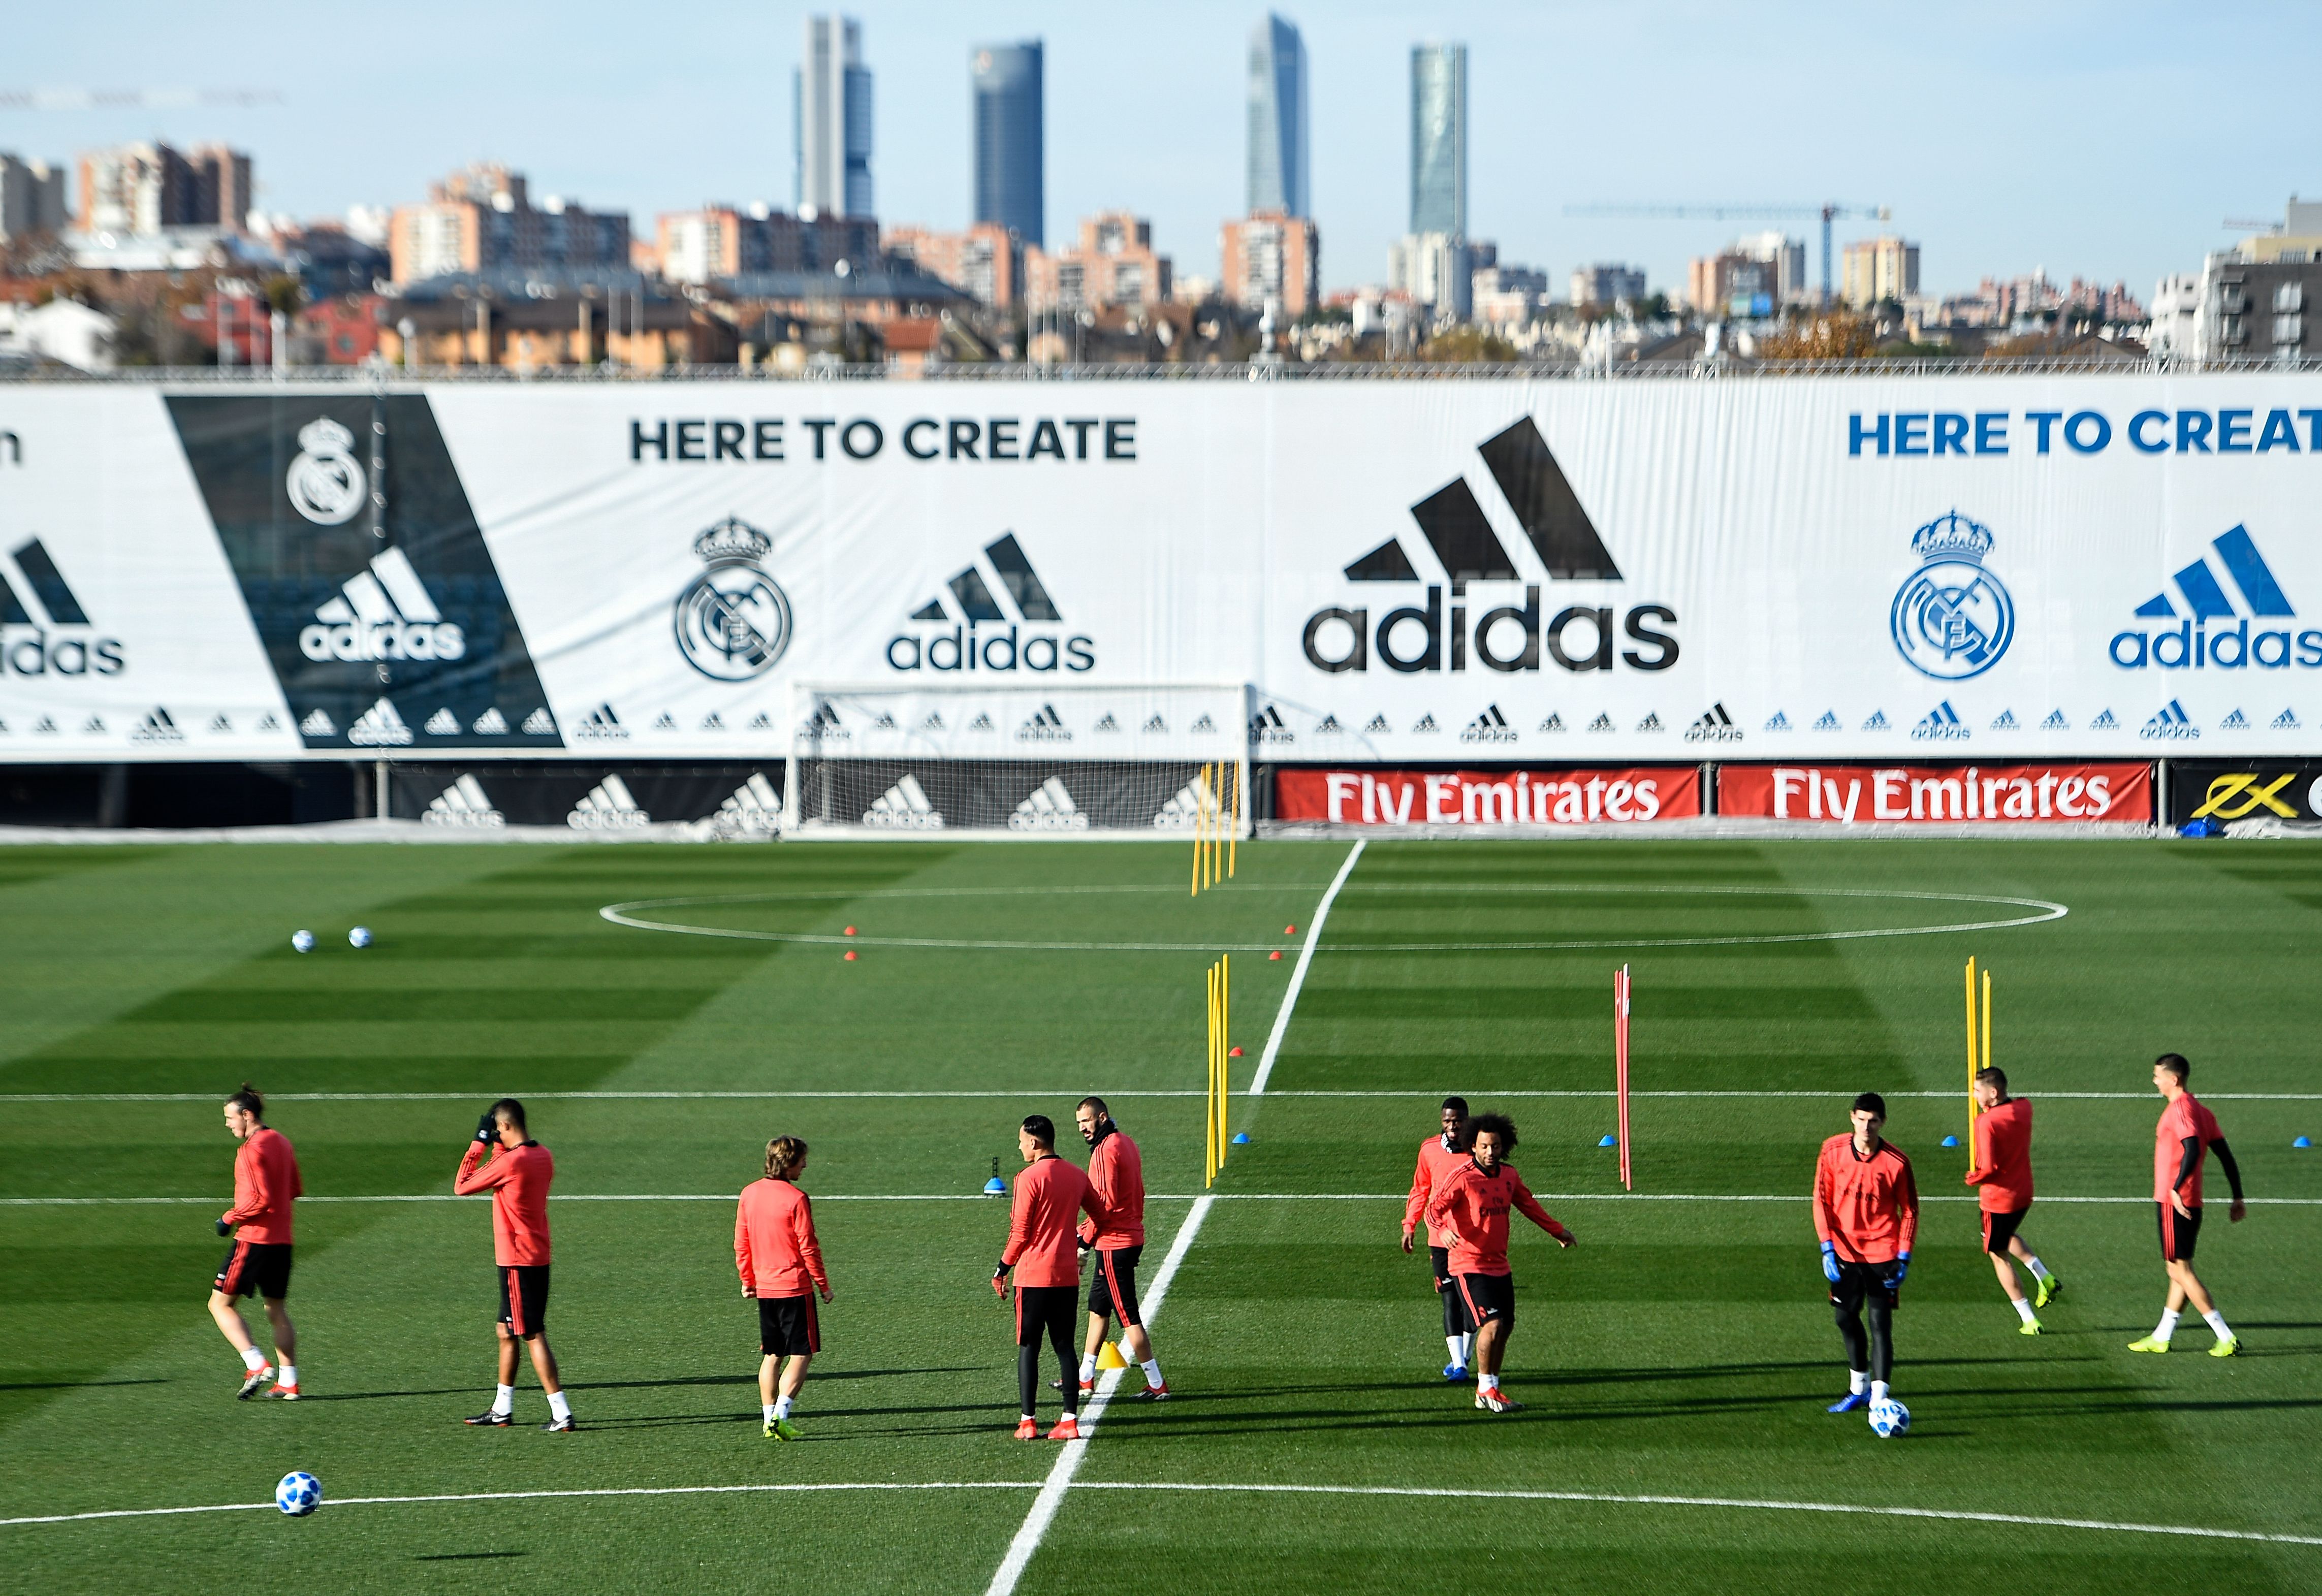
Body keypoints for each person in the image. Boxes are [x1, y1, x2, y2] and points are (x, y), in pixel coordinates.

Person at [1422, 1111, 1573, 1414]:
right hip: (1468, 1264)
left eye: (1496, 1146)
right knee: (1491, 1324)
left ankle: (1489, 1387)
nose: (1491, 1152)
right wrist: (1444, 1230)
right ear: (1473, 1147)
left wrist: (1557, 1230)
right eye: (1485, 1146)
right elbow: (1433, 1210)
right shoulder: (1463, 1177)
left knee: (1506, 1326)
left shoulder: (1509, 1176)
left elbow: (1529, 1205)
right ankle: (1485, 1388)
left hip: (1499, 1265)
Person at [455, 1098, 574, 1431]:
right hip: (536, 1255)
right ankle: (502, 1408)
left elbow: (462, 1186)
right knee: (505, 1330)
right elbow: (503, 1173)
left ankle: (561, 1412)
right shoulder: (541, 1155)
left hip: (516, 1261)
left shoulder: (513, 1162)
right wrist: (498, 1148)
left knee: (532, 1333)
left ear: (503, 1127)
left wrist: (479, 1144)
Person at [994, 1114, 1105, 1440]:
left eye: (1021, 1141)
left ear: (1034, 1142)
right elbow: (1099, 1216)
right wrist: (1082, 1244)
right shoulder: (1076, 1175)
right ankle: (1069, 1421)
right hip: (1066, 1277)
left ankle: (1028, 1422)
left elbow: (1021, 1232)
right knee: (1065, 1347)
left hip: (1031, 1277)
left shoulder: (1028, 1178)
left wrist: (1002, 1268)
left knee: (1029, 1346)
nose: (1018, 1146)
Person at [2129, 1054, 2246, 1356]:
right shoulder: (2201, 1110)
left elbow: (2192, 1148)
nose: (2154, 1081)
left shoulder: (2180, 1110)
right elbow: (2225, 1154)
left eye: (2158, 1076)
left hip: (2176, 1203)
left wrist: (2175, 1188)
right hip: (2191, 1201)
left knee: (2180, 1270)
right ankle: (2162, 1336)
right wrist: (2237, 1196)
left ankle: (2225, 1336)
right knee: (2178, 1268)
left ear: (2174, 1079)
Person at [1812, 1092, 1919, 1422]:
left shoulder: (1896, 1163)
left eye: (1873, 1121)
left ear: (1882, 1122)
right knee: (1844, 1318)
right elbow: (1821, 1200)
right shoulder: (1831, 1150)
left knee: (1879, 1324)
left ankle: (1879, 1397)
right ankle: (1857, 1390)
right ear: (1852, 1118)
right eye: (1861, 1119)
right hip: (1844, 1251)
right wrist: (1826, 1246)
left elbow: (1910, 1210)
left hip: (1882, 1252)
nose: (1866, 1126)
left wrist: (1903, 1257)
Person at [208, 1084, 303, 1400]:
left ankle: (255, 1363)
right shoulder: (283, 1142)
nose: (227, 1124)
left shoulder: (252, 1149)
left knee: (219, 1304)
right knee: (276, 1309)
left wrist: (229, 1217)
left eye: (230, 1117)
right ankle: (289, 1382)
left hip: (253, 1240)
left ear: (247, 1115)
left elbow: (260, 1199)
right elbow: (294, 1189)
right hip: (282, 1241)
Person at [737, 1135, 833, 1440]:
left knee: (772, 1355)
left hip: (765, 1288)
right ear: (789, 1162)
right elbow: (809, 1247)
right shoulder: (796, 1198)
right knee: (802, 1354)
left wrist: (747, 1280)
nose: (805, 1165)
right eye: (802, 1160)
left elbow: (742, 1242)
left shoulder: (749, 1193)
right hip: (794, 1287)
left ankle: (768, 1421)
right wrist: (823, 1285)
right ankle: (781, 1416)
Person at [1070, 1098, 1166, 1400]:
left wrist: (1083, 1242)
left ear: (1102, 1117)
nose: (1083, 1128)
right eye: (1078, 1124)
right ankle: (1085, 1377)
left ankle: (1156, 1383)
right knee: (1098, 1307)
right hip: (1129, 1235)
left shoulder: (1103, 1151)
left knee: (1128, 1315)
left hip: (1115, 1243)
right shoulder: (1126, 1142)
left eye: (1086, 1121)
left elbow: (1104, 1207)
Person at [1964, 1068, 2059, 1333]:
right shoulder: (2024, 1107)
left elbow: (1989, 1168)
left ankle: (2029, 1319)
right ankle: (2045, 1276)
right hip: (2024, 1192)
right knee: (2005, 1234)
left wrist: (1974, 1178)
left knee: (1998, 1254)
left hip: (1999, 1198)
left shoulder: (1986, 1122)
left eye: (1977, 1091)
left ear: (1993, 1093)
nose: (1973, 1095)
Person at [1402, 1096, 1476, 1380]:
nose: (1452, 1126)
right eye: (1447, 1121)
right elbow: (1420, 1188)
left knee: (1471, 1305)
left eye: (1457, 1121)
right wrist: (1410, 1224)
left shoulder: (1479, 1150)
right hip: (1439, 1238)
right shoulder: (1430, 1149)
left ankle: (1465, 1357)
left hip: (1472, 1238)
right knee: (1449, 1299)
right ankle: (1459, 1365)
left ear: (1467, 1120)